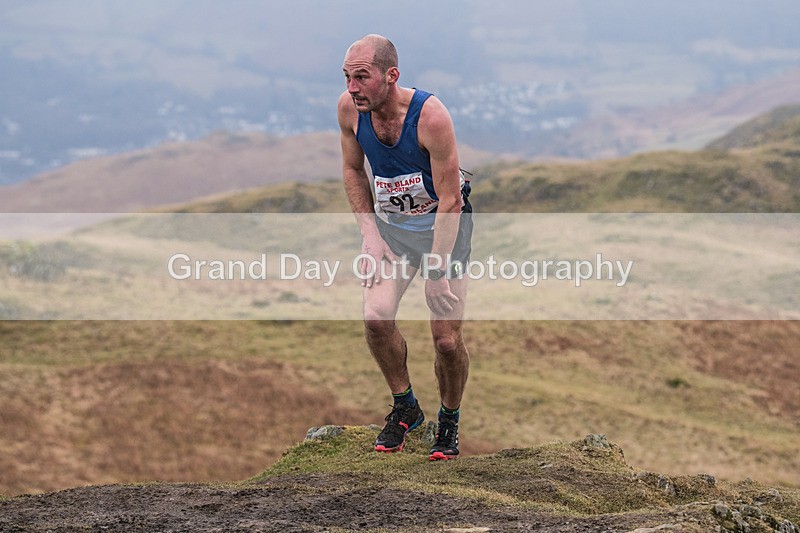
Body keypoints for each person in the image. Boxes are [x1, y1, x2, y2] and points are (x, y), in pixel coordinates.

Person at [337, 34, 473, 461]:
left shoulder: (430, 117)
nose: (352, 88)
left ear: (391, 75)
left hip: (444, 232)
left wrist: (436, 271)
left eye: (362, 77)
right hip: (393, 231)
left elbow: (451, 200)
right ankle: (406, 407)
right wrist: (370, 235)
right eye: (347, 77)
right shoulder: (349, 110)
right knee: (376, 318)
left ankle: (448, 419)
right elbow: (352, 170)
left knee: (446, 340)